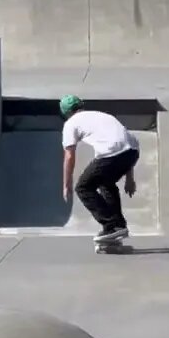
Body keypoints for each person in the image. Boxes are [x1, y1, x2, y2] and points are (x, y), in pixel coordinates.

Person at [59, 95, 140, 243]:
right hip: (132, 153)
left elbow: (69, 156)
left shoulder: (71, 123)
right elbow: (127, 144)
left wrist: (66, 184)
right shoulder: (101, 116)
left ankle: (111, 225)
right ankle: (119, 225)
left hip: (112, 154)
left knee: (83, 188)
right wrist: (130, 178)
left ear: (66, 113)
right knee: (105, 183)